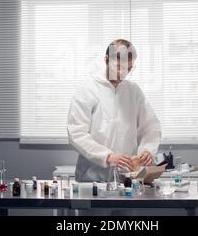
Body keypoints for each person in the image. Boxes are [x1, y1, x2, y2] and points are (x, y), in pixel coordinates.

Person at [67, 39, 161, 182]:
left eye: (128, 69)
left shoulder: (133, 91)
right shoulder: (87, 90)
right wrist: (107, 156)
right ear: (106, 60)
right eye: (119, 67)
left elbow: (150, 127)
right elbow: (77, 133)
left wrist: (147, 150)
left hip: (127, 178)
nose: (123, 74)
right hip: (92, 178)